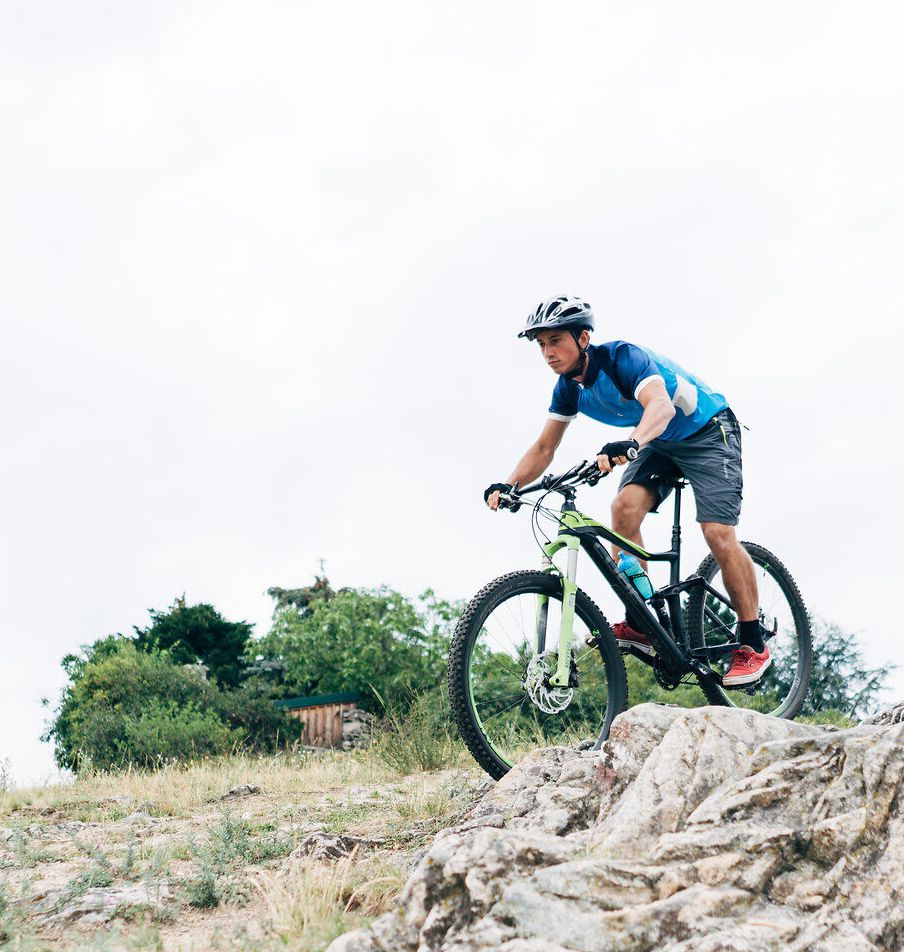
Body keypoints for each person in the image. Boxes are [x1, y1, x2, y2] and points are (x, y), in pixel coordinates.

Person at [484, 295, 770, 686]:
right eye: (541, 345)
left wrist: (631, 442)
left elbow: (661, 407)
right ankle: (642, 621)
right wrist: (509, 484)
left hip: (707, 431)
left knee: (717, 532)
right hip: (660, 444)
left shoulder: (622, 358)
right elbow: (544, 448)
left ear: (583, 338)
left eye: (555, 341)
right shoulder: (567, 388)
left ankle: (753, 642)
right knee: (623, 509)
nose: (548, 353)